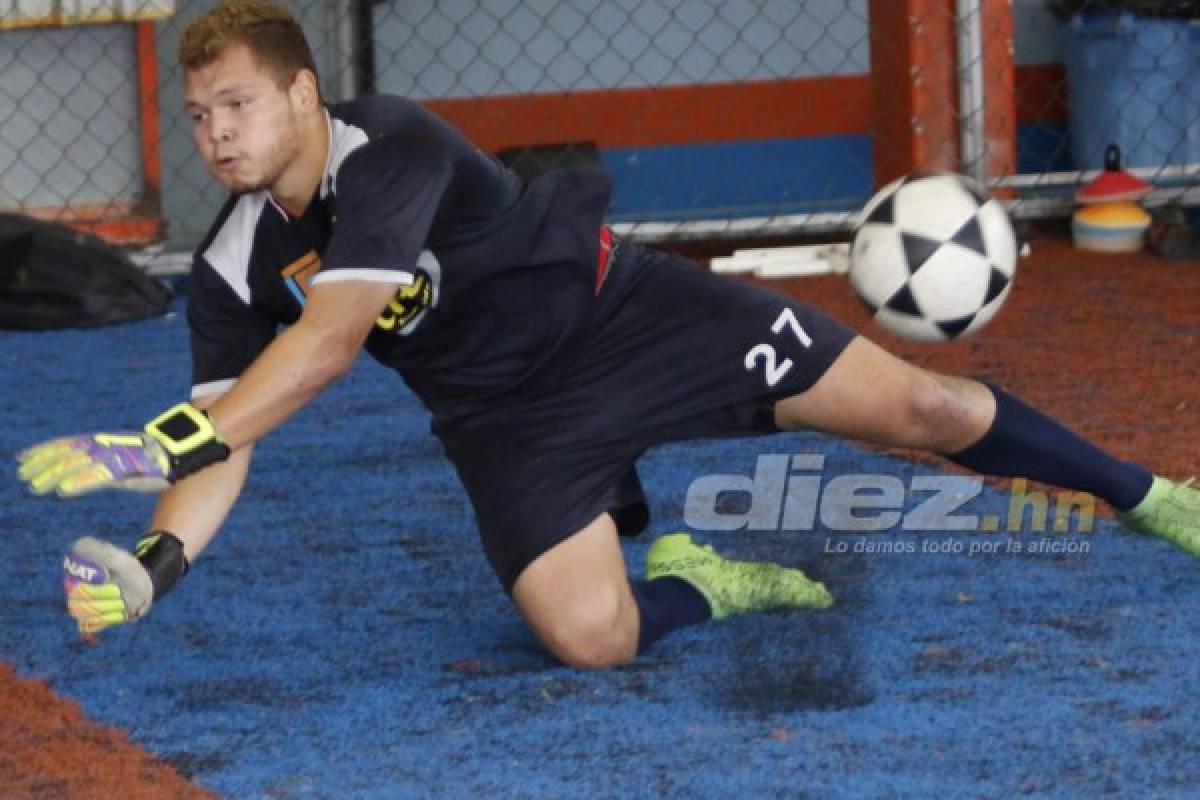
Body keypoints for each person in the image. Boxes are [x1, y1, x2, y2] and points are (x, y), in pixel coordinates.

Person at [18, 1, 1199, 669]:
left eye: (238, 104)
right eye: (199, 115)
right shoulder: (234, 259)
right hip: (506, 418)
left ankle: (1150, 490)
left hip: (631, 314)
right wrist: (152, 559)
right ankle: (706, 577)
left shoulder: (396, 145)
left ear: (303, 95)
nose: (216, 135)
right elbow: (232, 437)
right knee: (592, 640)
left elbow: (329, 343)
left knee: (927, 410)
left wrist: (158, 441)